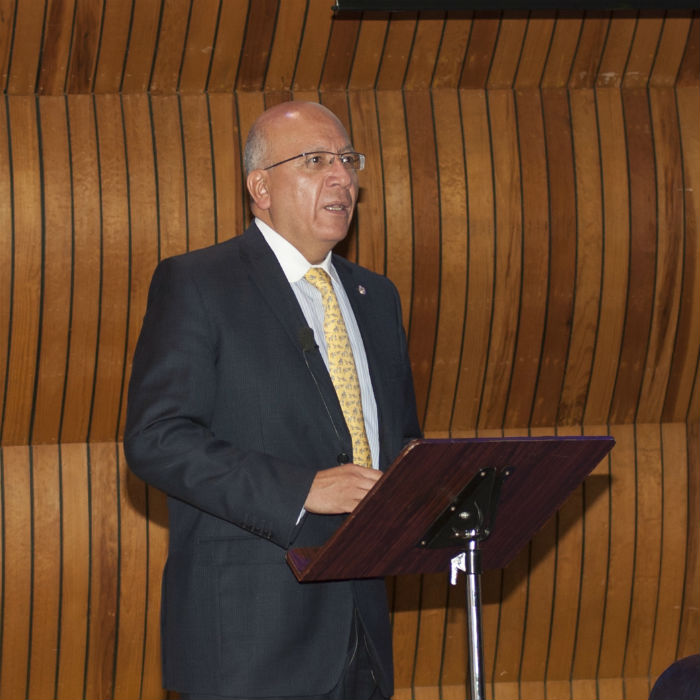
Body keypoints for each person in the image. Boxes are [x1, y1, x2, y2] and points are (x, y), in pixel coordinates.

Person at [124, 101, 421, 700]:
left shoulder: (376, 297)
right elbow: (157, 438)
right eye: (316, 161)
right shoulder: (199, 284)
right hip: (248, 639)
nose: (342, 178)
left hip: (361, 634)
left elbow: (399, 446)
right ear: (260, 187)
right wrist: (303, 489)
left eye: (347, 160)